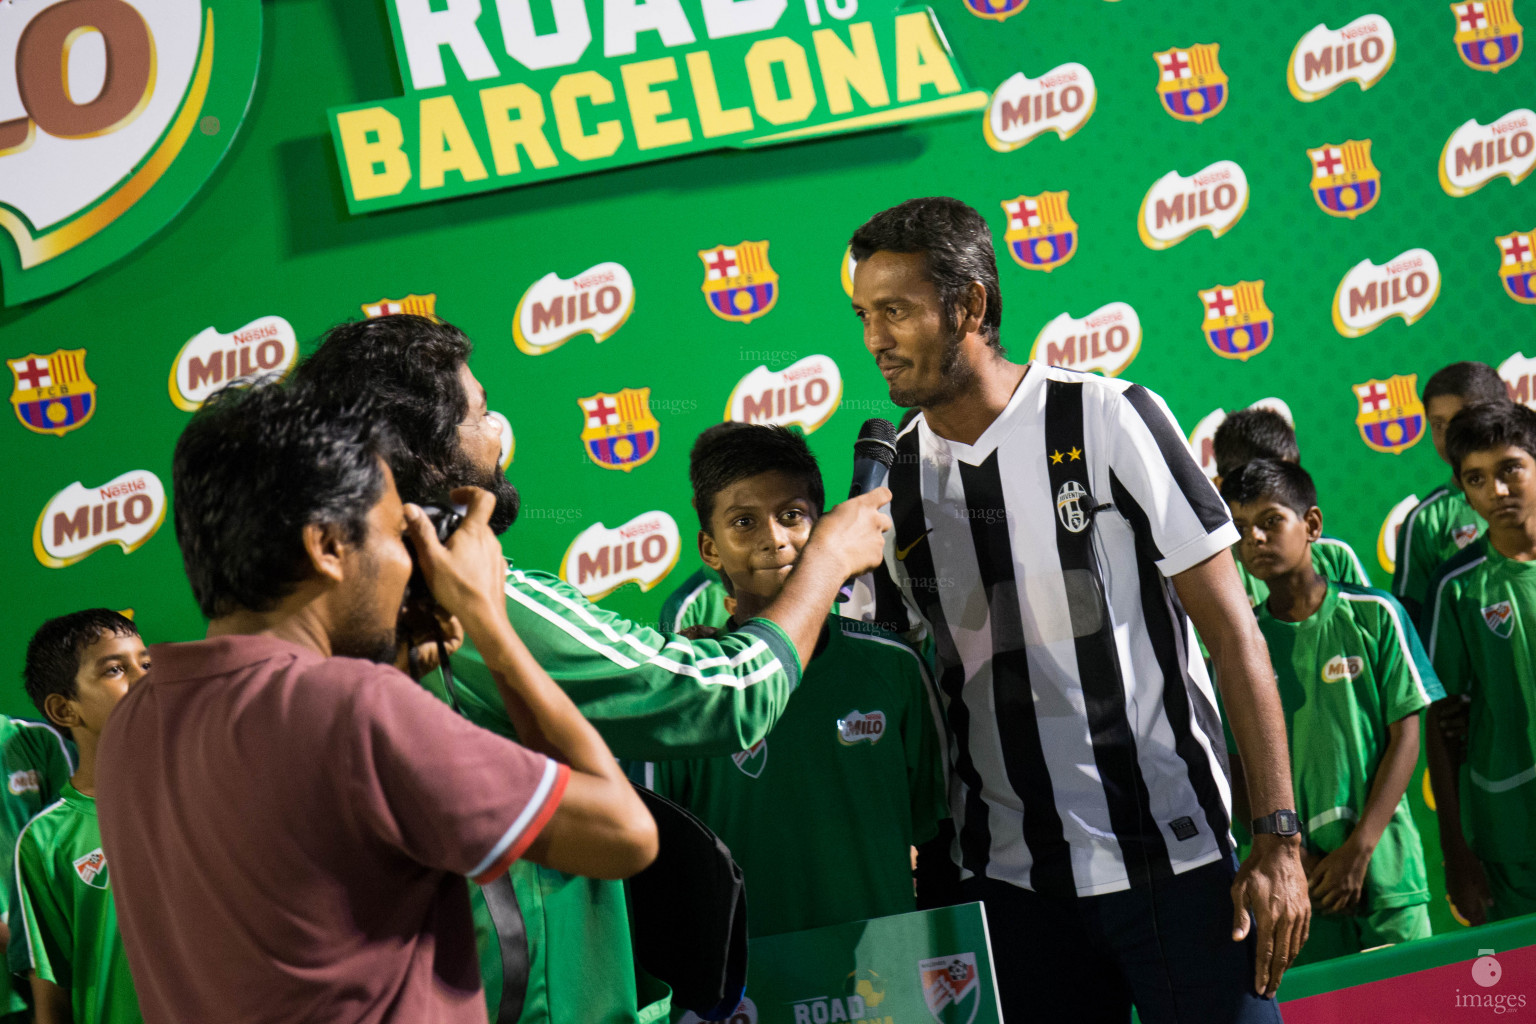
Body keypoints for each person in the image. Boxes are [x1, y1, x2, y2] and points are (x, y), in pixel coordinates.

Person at [290, 317, 891, 1024]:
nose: (498, 431)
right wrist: (826, 560)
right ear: (422, 448)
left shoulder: (326, 616)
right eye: (480, 412)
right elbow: (727, 696)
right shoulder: (476, 604)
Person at [847, 196, 1308, 1023]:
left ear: (971, 305)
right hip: (1012, 892)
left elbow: (1235, 633)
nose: (876, 337)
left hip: (1178, 865)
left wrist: (1278, 835)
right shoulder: (892, 483)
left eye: (897, 311)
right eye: (865, 315)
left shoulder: (1107, 417)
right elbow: (893, 689)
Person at [97, 381, 658, 1024]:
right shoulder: (355, 710)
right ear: (328, 546)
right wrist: (490, 623)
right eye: (397, 531)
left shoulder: (135, 720)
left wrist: (392, 669)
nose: (407, 561)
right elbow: (624, 834)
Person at [647, 423, 948, 937]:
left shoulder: (895, 667)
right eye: (743, 522)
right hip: (746, 996)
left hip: (884, 985)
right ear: (710, 548)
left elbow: (935, 828)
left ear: (823, 525)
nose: (775, 538)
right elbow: (661, 865)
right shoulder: (688, 686)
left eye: (791, 515)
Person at [1222, 461, 1441, 962]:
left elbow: (1406, 735)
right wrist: (1295, 857)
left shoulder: (1376, 614)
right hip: (1297, 887)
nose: (1254, 537)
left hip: (1387, 870)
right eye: (1239, 527)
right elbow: (1237, 767)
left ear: (1312, 526)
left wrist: (1359, 849)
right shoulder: (1240, 648)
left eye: (1271, 520)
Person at [1424, 402, 1536, 926]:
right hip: (1509, 824)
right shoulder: (1458, 587)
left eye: (1510, 468)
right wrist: (1456, 852)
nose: (1497, 490)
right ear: (1462, 488)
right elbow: (1440, 723)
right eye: (1477, 478)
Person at [13, 610, 149, 1024]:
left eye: (147, 663)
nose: (145, 680)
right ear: (64, 710)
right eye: (115, 669)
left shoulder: (206, 798)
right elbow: (52, 1006)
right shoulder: (45, 839)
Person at [1212, 409, 1372, 608]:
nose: (1257, 537)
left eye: (1283, 478)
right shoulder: (1211, 569)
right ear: (1220, 485)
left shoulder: (1334, 555)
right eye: (1252, 483)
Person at [1394, 362, 1510, 621]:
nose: (1449, 435)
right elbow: (1414, 619)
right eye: (1438, 424)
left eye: (1461, 419)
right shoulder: (1425, 520)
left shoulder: (1528, 496)